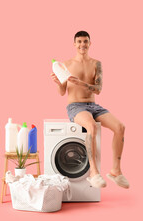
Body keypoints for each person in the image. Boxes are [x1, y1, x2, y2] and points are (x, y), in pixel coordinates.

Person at [51, 30, 129, 189]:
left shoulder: (96, 64)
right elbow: (62, 92)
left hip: (93, 106)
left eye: (85, 41)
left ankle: (116, 171)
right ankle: (93, 173)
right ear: (74, 44)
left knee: (120, 127)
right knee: (91, 126)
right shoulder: (66, 64)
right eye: (79, 42)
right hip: (75, 106)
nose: (82, 45)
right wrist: (58, 83)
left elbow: (98, 89)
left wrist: (80, 83)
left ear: (90, 43)